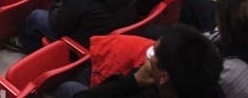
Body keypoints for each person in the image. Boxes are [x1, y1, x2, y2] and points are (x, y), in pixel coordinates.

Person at [58, 25, 223, 98]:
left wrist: (133, 80)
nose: (149, 58)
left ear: (164, 76)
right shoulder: (210, 87)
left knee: (69, 88)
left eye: (154, 54)